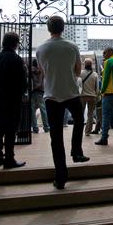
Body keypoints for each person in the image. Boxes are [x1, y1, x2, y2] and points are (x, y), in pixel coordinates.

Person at [36, 15, 89, 190]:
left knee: (56, 137)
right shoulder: (72, 46)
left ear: (49, 29)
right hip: (71, 93)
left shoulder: (41, 48)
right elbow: (77, 70)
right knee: (80, 121)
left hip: (51, 96)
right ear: (63, 27)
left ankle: (61, 177)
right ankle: (76, 151)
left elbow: (43, 71)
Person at [0, 32, 27, 168]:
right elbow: (23, 82)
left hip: (0, 97)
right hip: (13, 98)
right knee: (11, 129)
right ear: (16, 43)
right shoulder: (17, 59)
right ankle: (9, 159)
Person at [95, 47, 113, 146]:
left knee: (106, 116)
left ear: (111, 52)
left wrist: (101, 91)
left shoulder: (108, 62)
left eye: (105, 52)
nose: (103, 54)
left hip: (109, 93)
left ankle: (104, 138)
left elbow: (106, 78)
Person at [80, 58, 99, 136]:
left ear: (84, 64)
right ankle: (87, 131)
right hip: (92, 96)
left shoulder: (80, 73)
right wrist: (97, 95)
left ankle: (79, 130)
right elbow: (97, 87)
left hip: (82, 96)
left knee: (80, 114)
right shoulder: (95, 74)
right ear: (91, 65)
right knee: (90, 114)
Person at [31, 58, 49, 133]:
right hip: (41, 91)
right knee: (43, 110)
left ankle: (35, 128)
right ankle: (46, 127)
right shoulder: (42, 70)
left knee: (32, 110)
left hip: (32, 91)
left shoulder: (30, 71)